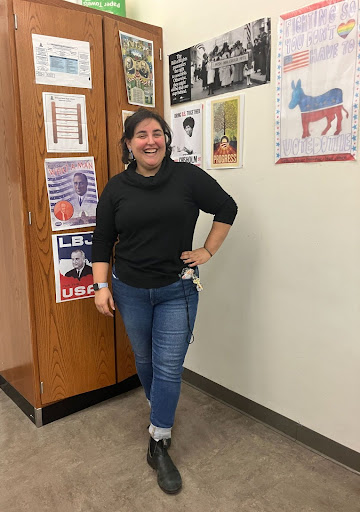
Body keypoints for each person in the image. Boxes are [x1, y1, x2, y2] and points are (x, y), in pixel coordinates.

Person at [92, 108, 237, 495]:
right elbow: (102, 240)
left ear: (167, 140)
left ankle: (158, 439)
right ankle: (161, 413)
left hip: (178, 289)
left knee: (169, 367)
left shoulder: (187, 178)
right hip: (130, 289)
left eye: (157, 133)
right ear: (129, 144)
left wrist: (207, 250)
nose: (150, 141)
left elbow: (227, 207)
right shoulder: (116, 188)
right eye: (141, 135)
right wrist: (100, 286)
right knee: (145, 361)